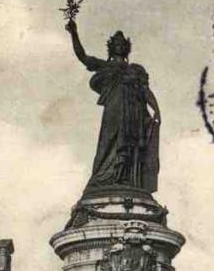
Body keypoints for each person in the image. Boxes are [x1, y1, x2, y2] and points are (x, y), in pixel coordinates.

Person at [65, 18, 161, 193]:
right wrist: (74, 33)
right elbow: (83, 56)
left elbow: (146, 91)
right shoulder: (104, 65)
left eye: (122, 43)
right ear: (110, 47)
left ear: (127, 48)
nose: (119, 45)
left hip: (134, 112)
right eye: (116, 43)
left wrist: (156, 109)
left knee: (131, 145)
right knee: (108, 141)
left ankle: (126, 180)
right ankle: (103, 177)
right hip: (115, 109)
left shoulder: (135, 69)